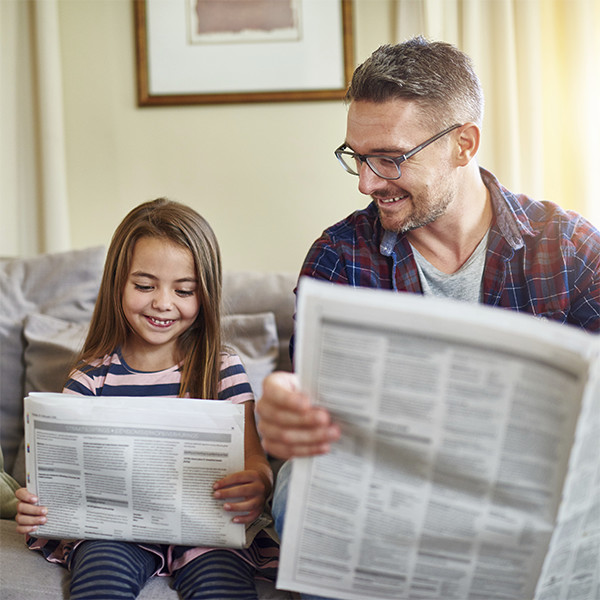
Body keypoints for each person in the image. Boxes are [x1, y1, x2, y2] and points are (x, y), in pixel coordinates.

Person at [256, 37, 600, 600]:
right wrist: (285, 405)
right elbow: (311, 405)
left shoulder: (569, 248)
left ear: (464, 145)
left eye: (390, 158)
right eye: (356, 158)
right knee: (298, 487)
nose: (367, 183)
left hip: (525, 494)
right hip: (393, 491)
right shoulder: (339, 256)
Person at [15, 198, 278, 600]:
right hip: (116, 531)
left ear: (204, 293)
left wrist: (258, 481)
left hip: (207, 528)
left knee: (222, 585)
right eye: (144, 286)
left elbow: (254, 457)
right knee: (98, 580)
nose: (163, 303)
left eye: (184, 290)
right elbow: (58, 480)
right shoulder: (90, 379)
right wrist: (39, 506)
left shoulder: (221, 368)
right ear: (117, 284)